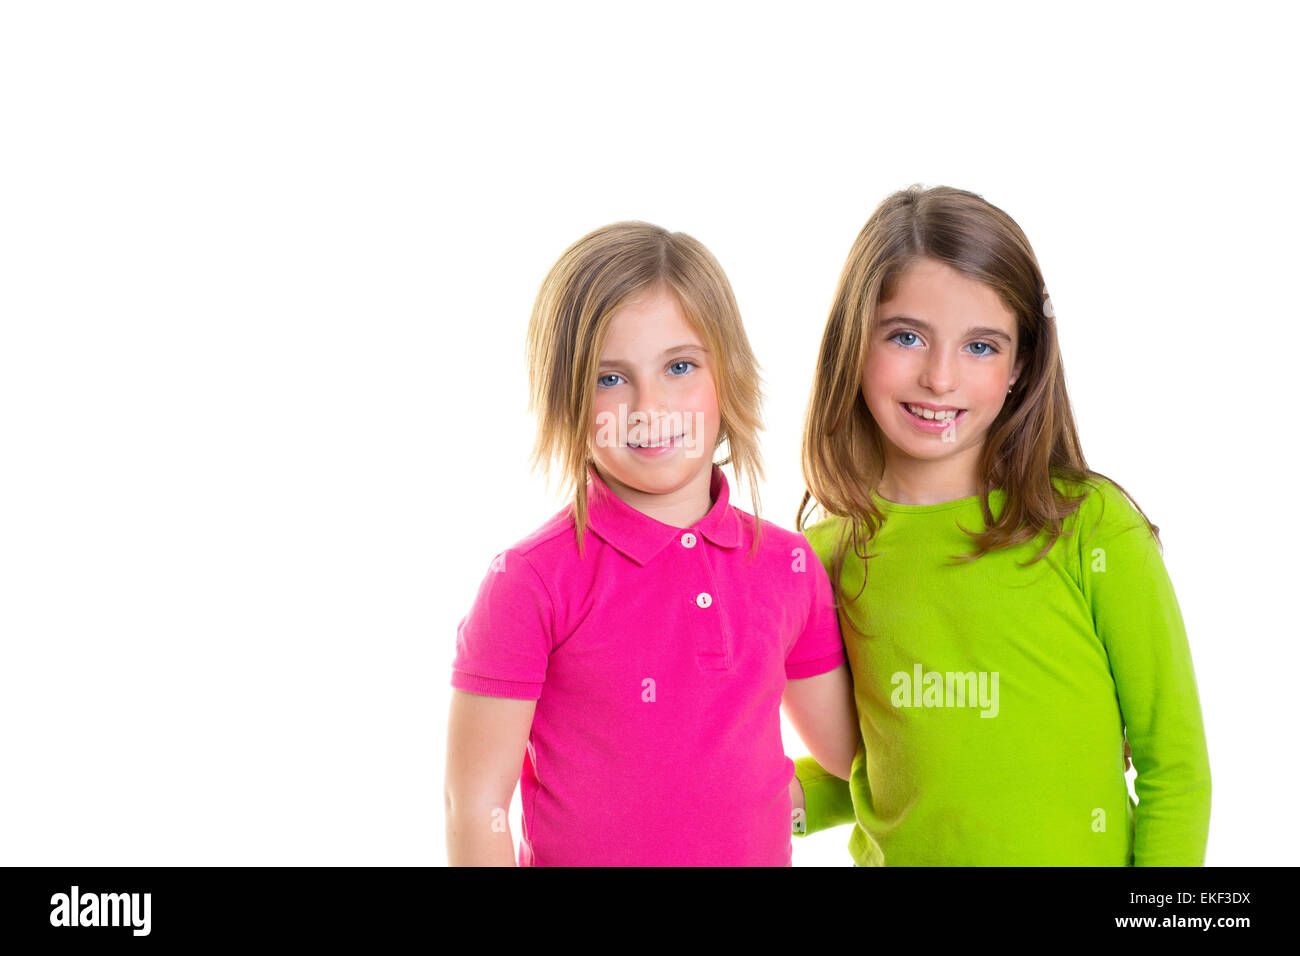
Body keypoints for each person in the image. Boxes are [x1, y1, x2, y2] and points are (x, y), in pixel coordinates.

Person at [790, 185, 1211, 866]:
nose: (939, 377)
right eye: (906, 336)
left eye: (981, 346)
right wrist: (735, 801)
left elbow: (1177, 769)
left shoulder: (1090, 527)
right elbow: (875, 771)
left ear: (1021, 365)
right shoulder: (823, 559)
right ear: (852, 343)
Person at [445, 221, 858, 866]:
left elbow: (855, 754)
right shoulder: (530, 580)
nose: (648, 406)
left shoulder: (790, 566)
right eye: (610, 378)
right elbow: (474, 802)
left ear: (728, 376)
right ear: (566, 397)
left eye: (680, 367)